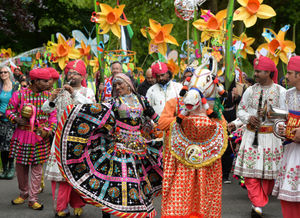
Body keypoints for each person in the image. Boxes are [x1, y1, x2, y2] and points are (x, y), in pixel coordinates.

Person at [56, 73, 163, 217]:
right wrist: (74, 96)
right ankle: (106, 214)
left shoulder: (142, 100)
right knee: (114, 181)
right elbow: (92, 108)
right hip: (119, 147)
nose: (118, 87)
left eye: (120, 84)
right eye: (115, 85)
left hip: (139, 148)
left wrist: (171, 125)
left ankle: (138, 211)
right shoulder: (114, 102)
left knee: (138, 183)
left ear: (129, 84)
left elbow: (157, 119)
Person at [234, 56, 286, 217]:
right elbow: (241, 110)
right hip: (251, 137)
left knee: (269, 177)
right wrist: (248, 118)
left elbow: (288, 114)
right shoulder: (250, 90)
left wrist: (272, 113)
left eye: (258, 71)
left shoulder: (281, 91)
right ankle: (257, 204)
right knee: (250, 174)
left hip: (272, 138)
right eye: (255, 71)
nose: (255, 74)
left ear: (269, 72)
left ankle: (259, 200)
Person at [43, 60, 95, 217]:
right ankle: (61, 207)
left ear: (82, 76)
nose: (71, 75)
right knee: (59, 177)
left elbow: (91, 108)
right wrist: (51, 98)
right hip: (60, 140)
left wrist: (73, 92)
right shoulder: (59, 92)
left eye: (75, 73)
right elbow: (45, 109)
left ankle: (77, 204)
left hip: (79, 140)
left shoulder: (87, 91)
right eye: (69, 72)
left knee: (77, 176)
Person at [6, 68, 57, 210]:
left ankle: (33, 198)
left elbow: (53, 116)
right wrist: (15, 118)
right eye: (45, 81)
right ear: (34, 81)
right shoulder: (20, 95)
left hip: (40, 137)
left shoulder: (49, 97)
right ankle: (23, 193)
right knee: (21, 167)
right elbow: (9, 110)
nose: (49, 83)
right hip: (22, 136)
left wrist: (49, 131)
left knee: (37, 168)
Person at [272, 56, 300, 218]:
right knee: (288, 199)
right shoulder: (287, 95)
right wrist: (280, 128)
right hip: (290, 153)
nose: (286, 77)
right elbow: (279, 120)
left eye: (289, 73)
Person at [221, 82, 242, 184]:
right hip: (221, 123)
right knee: (220, 149)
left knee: (230, 150)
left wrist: (237, 96)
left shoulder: (238, 99)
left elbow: (242, 104)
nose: (234, 90)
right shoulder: (221, 93)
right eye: (233, 89)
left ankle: (226, 175)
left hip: (232, 125)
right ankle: (220, 173)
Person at [0, 66, 18, 179]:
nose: (3, 74)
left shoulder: (15, 86)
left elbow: (18, 103)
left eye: (5, 72)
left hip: (12, 120)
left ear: (9, 73)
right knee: (2, 146)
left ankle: (11, 168)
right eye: (1, 72)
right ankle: (5, 169)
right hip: (1, 121)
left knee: (9, 145)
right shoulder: (0, 87)